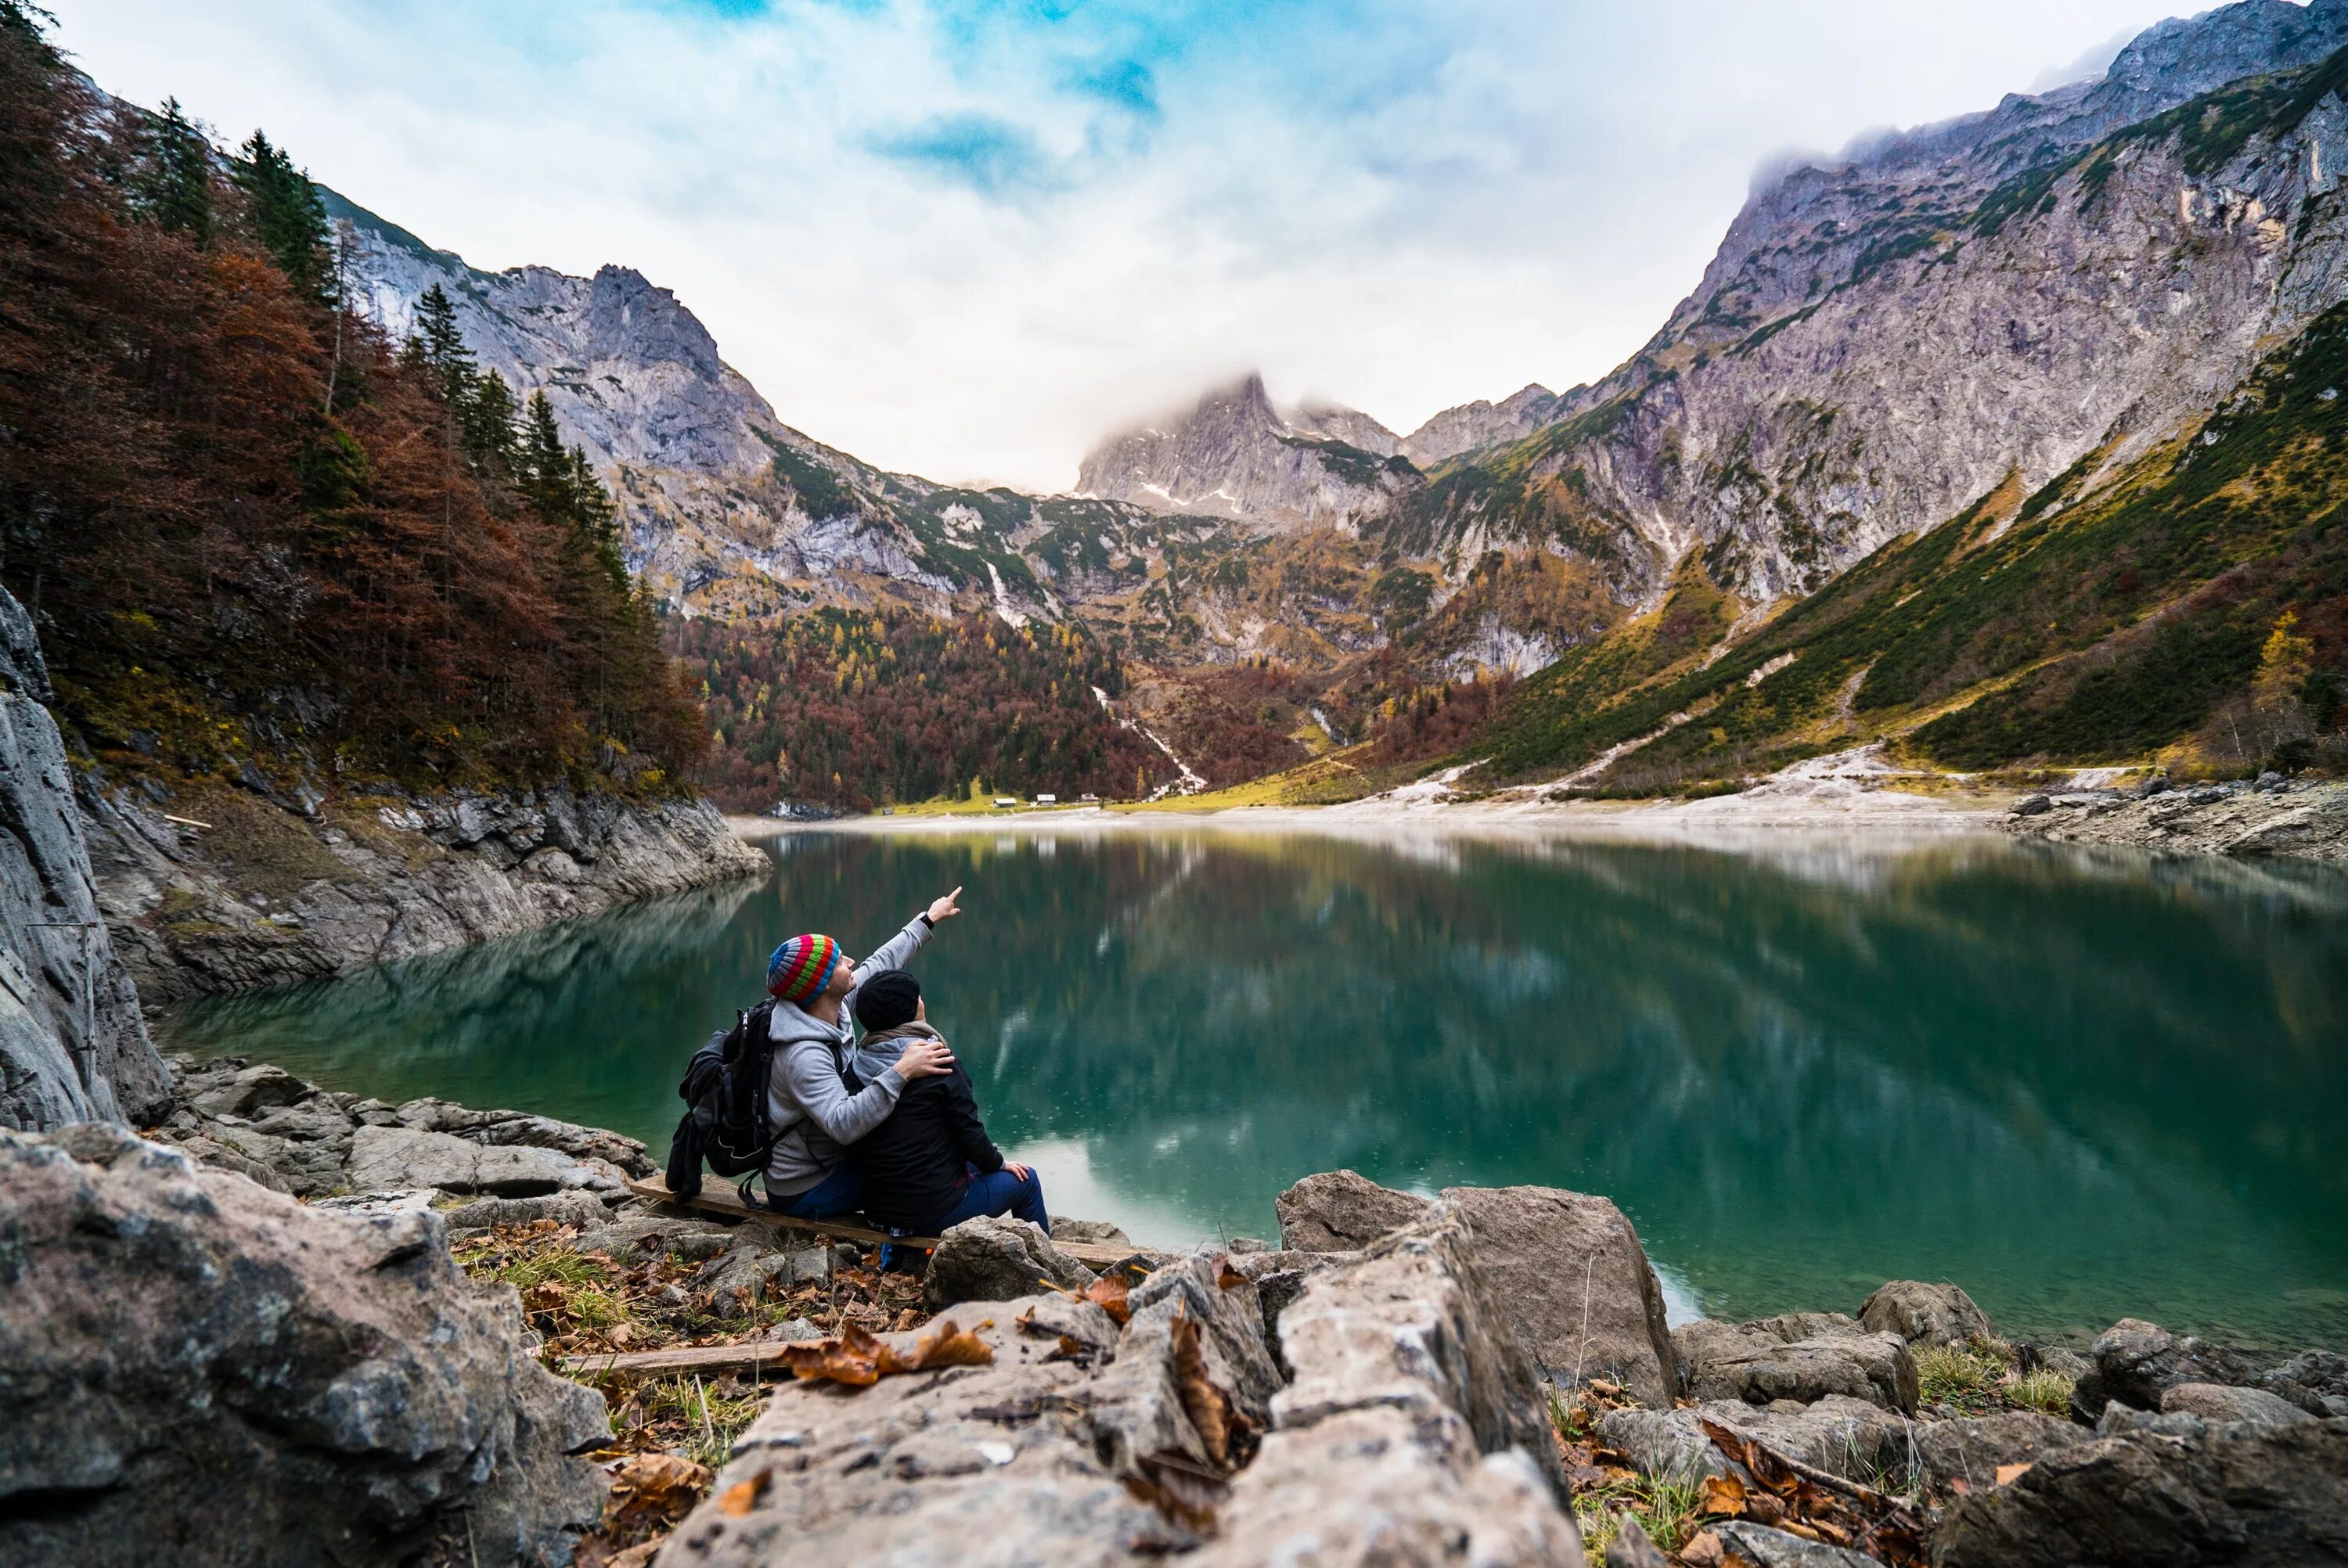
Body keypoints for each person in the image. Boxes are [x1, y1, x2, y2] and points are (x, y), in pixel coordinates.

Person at [759, 886, 964, 1219]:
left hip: (830, 1158)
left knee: (924, 1158)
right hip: (806, 1185)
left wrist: (927, 920)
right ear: (823, 983)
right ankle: (903, 1250)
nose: (851, 962)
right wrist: (902, 1071)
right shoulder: (802, 1055)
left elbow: (880, 962)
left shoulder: (830, 1006)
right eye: (840, 961)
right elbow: (843, 1124)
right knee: (920, 1177)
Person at [846, 969, 1047, 1239]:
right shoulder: (937, 1063)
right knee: (1027, 1180)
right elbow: (970, 1134)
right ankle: (1047, 1266)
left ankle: (894, 1256)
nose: (922, 1001)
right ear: (909, 1011)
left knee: (974, 1163)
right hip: (932, 1214)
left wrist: (994, 1161)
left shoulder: (858, 1064)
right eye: (918, 997)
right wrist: (999, 1164)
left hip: (878, 1212)